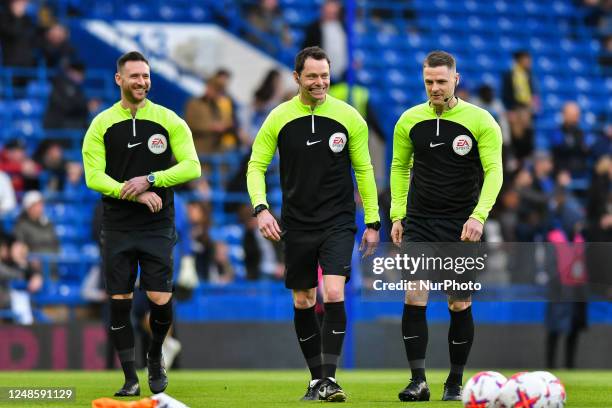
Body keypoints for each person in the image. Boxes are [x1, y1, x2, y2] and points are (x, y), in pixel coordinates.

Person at [247, 46, 380, 402]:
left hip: (337, 221)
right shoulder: (278, 117)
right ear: (297, 78)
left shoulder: (349, 116)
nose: (320, 82)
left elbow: (364, 170)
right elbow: (256, 165)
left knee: (333, 293)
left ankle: (330, 379)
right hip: (297, 223)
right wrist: (261, 209)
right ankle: (316, 379)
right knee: (304, 299)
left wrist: (373, 220)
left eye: (325, 75)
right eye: (312, 76)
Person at [82, 51, 200, 397]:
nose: (142, 82)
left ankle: (155, 354)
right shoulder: (101, 124)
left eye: (146, 76)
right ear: (119, 79)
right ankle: (129, 377)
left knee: (160, 297)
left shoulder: (169, 120)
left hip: (156, 224)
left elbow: (192, 167)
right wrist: (130, 192)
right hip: (117, 224)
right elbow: (93, 177)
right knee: (119, 300)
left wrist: (152, 179)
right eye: (134, 76)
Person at [390, 50, 503, 401]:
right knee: (414, 292)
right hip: (420, 222)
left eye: (441, 81)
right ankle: (417, 381)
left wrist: (478, 216)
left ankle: (454, 382)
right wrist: (397, 214)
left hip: (460, 225)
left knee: (458, 302)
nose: (434, 88)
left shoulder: (481, 120)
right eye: (428, 81)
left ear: (456, 79)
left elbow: (494, 172)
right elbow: (398, 167)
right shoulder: (409, 120)